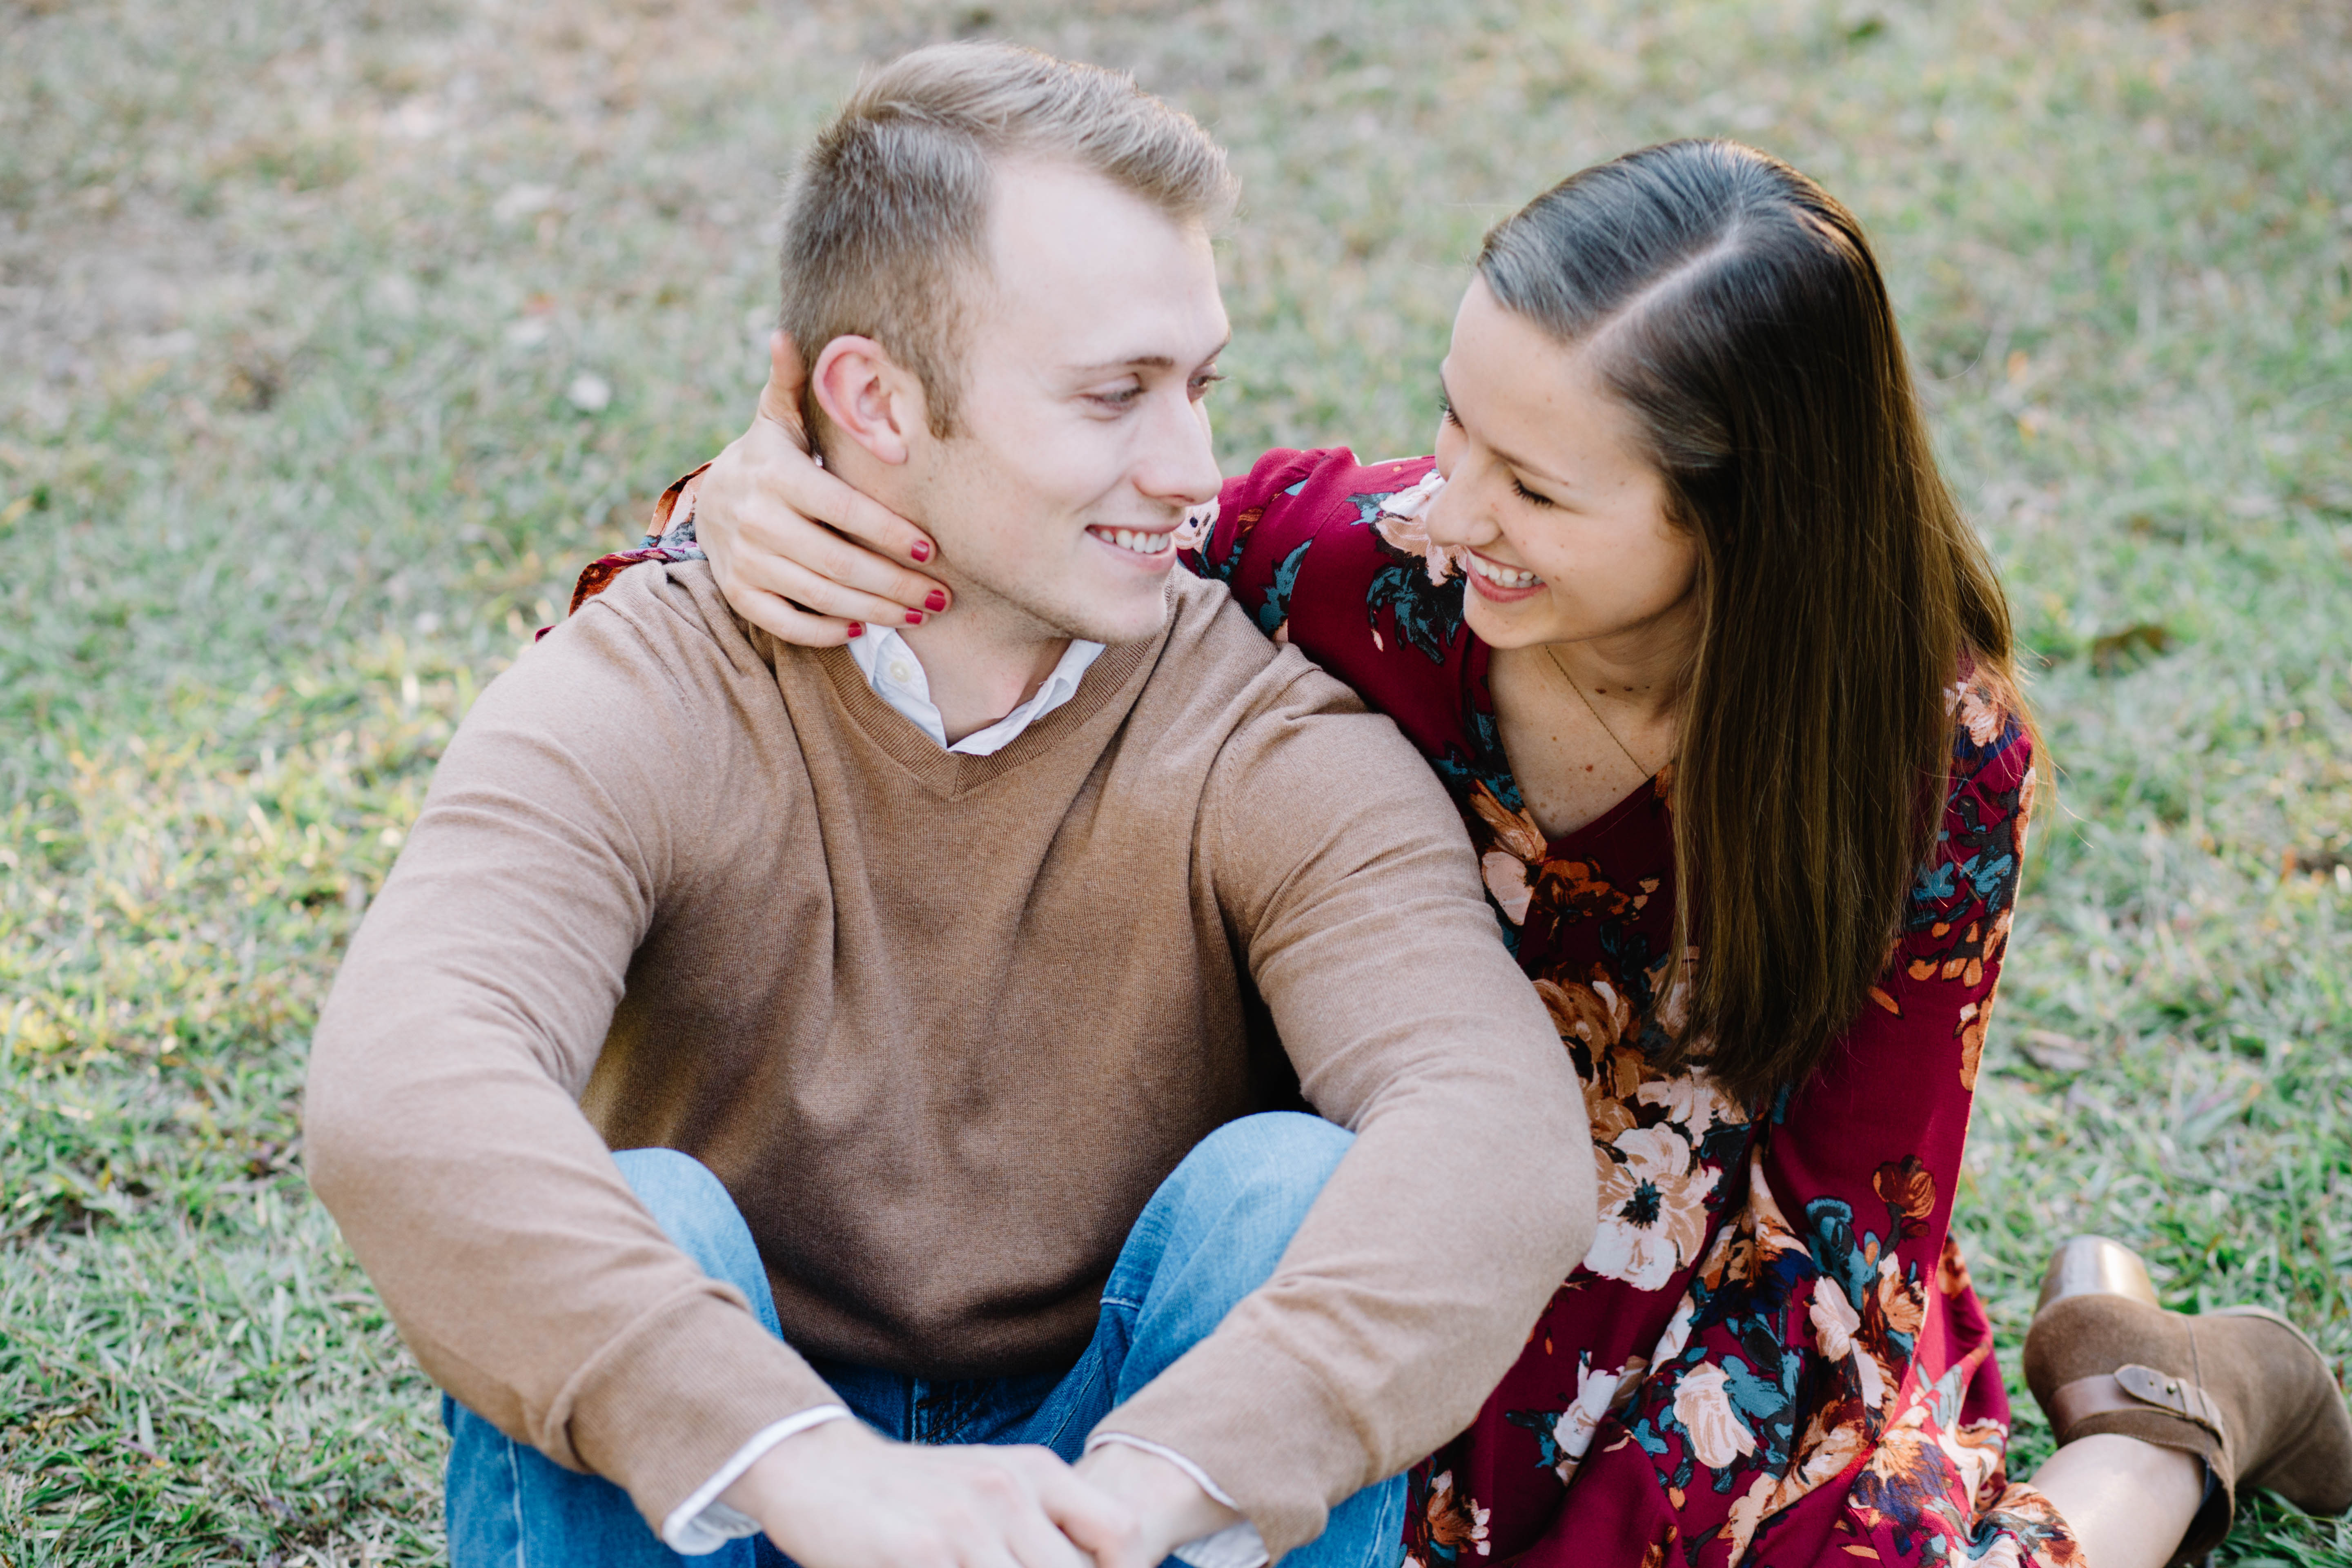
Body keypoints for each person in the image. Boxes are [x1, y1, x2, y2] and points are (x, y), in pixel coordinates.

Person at [683, 138, 2352, 1568]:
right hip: (1370, 1209)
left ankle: (2167, 1421)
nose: (1446, 505)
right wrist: (748, 492)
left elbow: (1859, 1208)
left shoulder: (1925, 757)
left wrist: (1637, 1499)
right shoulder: (1351, 576)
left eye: (1535, 489)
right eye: (1450, 426)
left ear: (1740, 525)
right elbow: (1011, 539)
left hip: (1722, 1274)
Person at [304, 43, 1603, 1568]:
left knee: (1292, 1192)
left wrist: (1145, 1490)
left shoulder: (1257, 721)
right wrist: (805, 1467)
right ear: (872, 396)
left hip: (1131, 1488)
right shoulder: (648, 687)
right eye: (1112, 395)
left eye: (1198, 386)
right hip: (740, 1474)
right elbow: (406, 1083)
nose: (1192, 467)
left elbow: (1496, 1128)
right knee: (638, 1210)